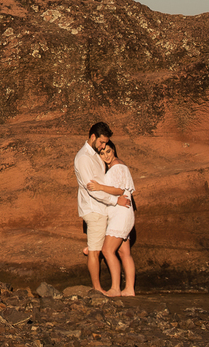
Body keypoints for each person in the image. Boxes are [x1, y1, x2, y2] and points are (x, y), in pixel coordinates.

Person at [74, 122, 130, 294]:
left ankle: (120, 288)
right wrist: (115, 201)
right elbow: (93, 190)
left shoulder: (96, 154)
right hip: (95, 209)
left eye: (106, 143)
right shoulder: (84, 158)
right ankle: (97, 289)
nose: (104, 146)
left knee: (107, 248)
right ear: (93, 137)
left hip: (104, 208)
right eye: (102, 142)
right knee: (94, 252)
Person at [87, 139, 137, 296]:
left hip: (121, 214)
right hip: (122, 213)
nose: (106, 155)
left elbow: (119, 190)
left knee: (108, 250)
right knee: (124, 253)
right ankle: (129, 289)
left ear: (114, 150)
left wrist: (100, 187)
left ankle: (116, 288)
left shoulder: (116, 166)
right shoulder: (116, 166)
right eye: (102, 153)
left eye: (108, 151)